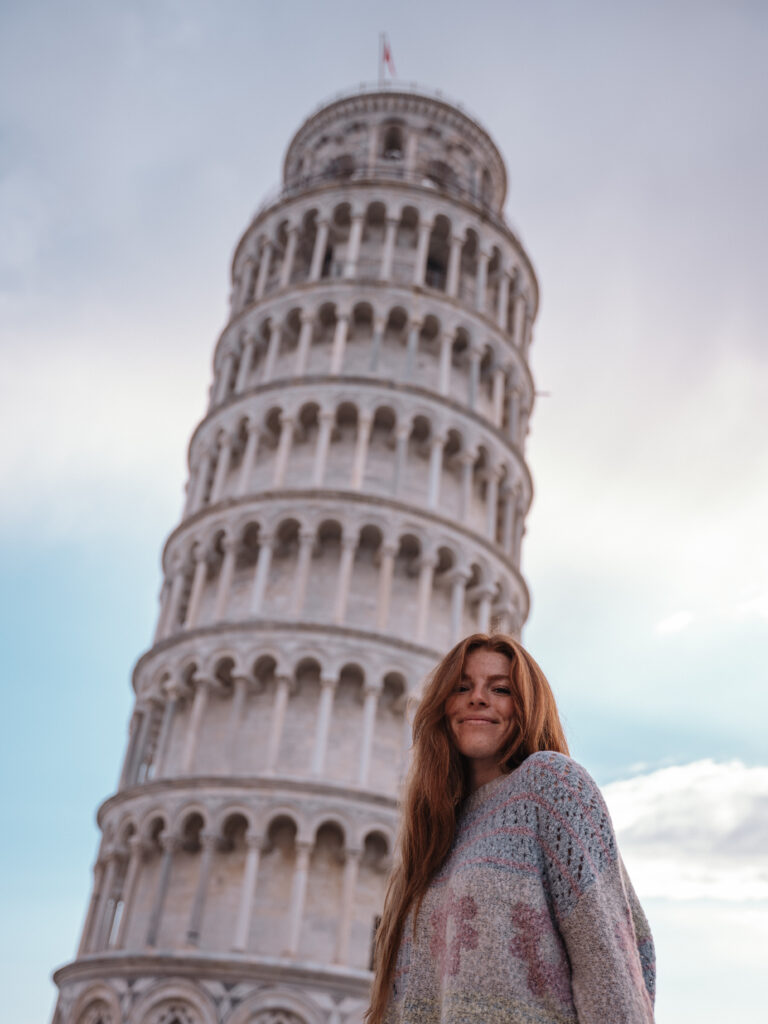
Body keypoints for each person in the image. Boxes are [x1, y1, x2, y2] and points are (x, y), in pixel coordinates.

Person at [366, 633, 656, 1024]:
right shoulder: (431, 840)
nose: (478, 698)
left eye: (500, 688)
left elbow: (608, 961)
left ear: (526, 705)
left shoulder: (550, 783)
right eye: (462, 687)